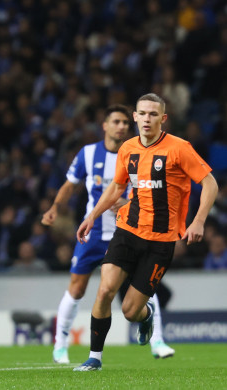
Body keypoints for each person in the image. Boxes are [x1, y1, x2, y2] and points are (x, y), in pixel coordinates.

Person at [73, 94, 218, 371]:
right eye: (143, 113)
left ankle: (146, 313)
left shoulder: (179, 148)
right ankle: (95, 358)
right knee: (104, 291)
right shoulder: (128, 148)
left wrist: (198, 221)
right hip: (128, 230)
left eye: (154, 114)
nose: (147, 119)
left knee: (130, 312)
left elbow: (210, 184)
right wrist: (92, 215)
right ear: (135, 117)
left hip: (161, 242)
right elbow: (117, 187)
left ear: (163, 118)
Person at [42, 104, 175, 364]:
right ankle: (60, 345)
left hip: (130, 231)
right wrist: (55, 208)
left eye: (126, 122)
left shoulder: (138, 152)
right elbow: (70, 185)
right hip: (93, 234)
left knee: (144, 286)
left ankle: (158, 341)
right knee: (77, 288)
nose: (122, 126)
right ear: (105, 125)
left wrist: (127, 203)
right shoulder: (88, 154)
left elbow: (150, 192)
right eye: (116, 121)